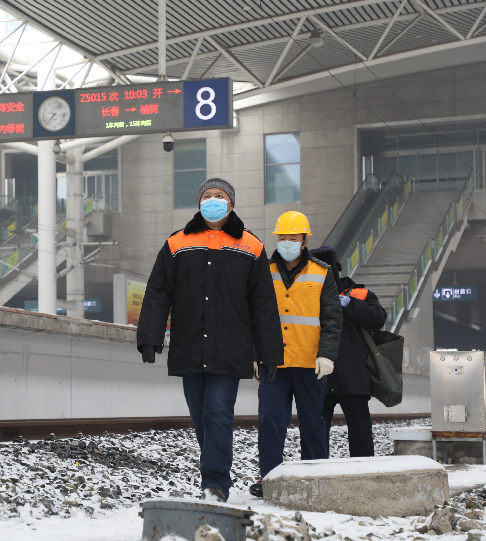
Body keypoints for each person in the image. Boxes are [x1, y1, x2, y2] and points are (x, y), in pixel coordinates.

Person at [137, 178, 284, 503]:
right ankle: (215, 469)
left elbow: (263, 305)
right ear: (199, 202)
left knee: (218, 412)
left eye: (220, 196)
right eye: (207, 196)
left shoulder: (251, 246)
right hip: (190, 345)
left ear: (231, 204)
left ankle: (215, 484)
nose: (213, 200)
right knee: (200, 413)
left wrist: (268, 352)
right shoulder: (178, 243)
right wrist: (150, 334)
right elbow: (159, 290)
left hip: (230, 348)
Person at [250, 211, 342, 498]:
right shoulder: (263, 271)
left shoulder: (322, 272)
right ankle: (270, 479)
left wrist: (327, 355)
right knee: (270, 421)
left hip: (308, 362)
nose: (287, 242)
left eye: (293, 238)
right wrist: (254, 354)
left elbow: (332, 318)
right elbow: (253, 317)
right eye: (283, 238)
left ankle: (315, 477)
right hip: (274, 363)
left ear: (304, 240)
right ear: (277, 239)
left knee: (313, 422)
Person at [310, 246, 387, 458]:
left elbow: (378, 319)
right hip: (318, 376)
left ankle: (362, 472)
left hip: (353, 376)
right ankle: (317, 474)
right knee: (316, 432)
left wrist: (348, 304)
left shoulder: (358, 294)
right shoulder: (304, 294)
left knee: (360, 431)